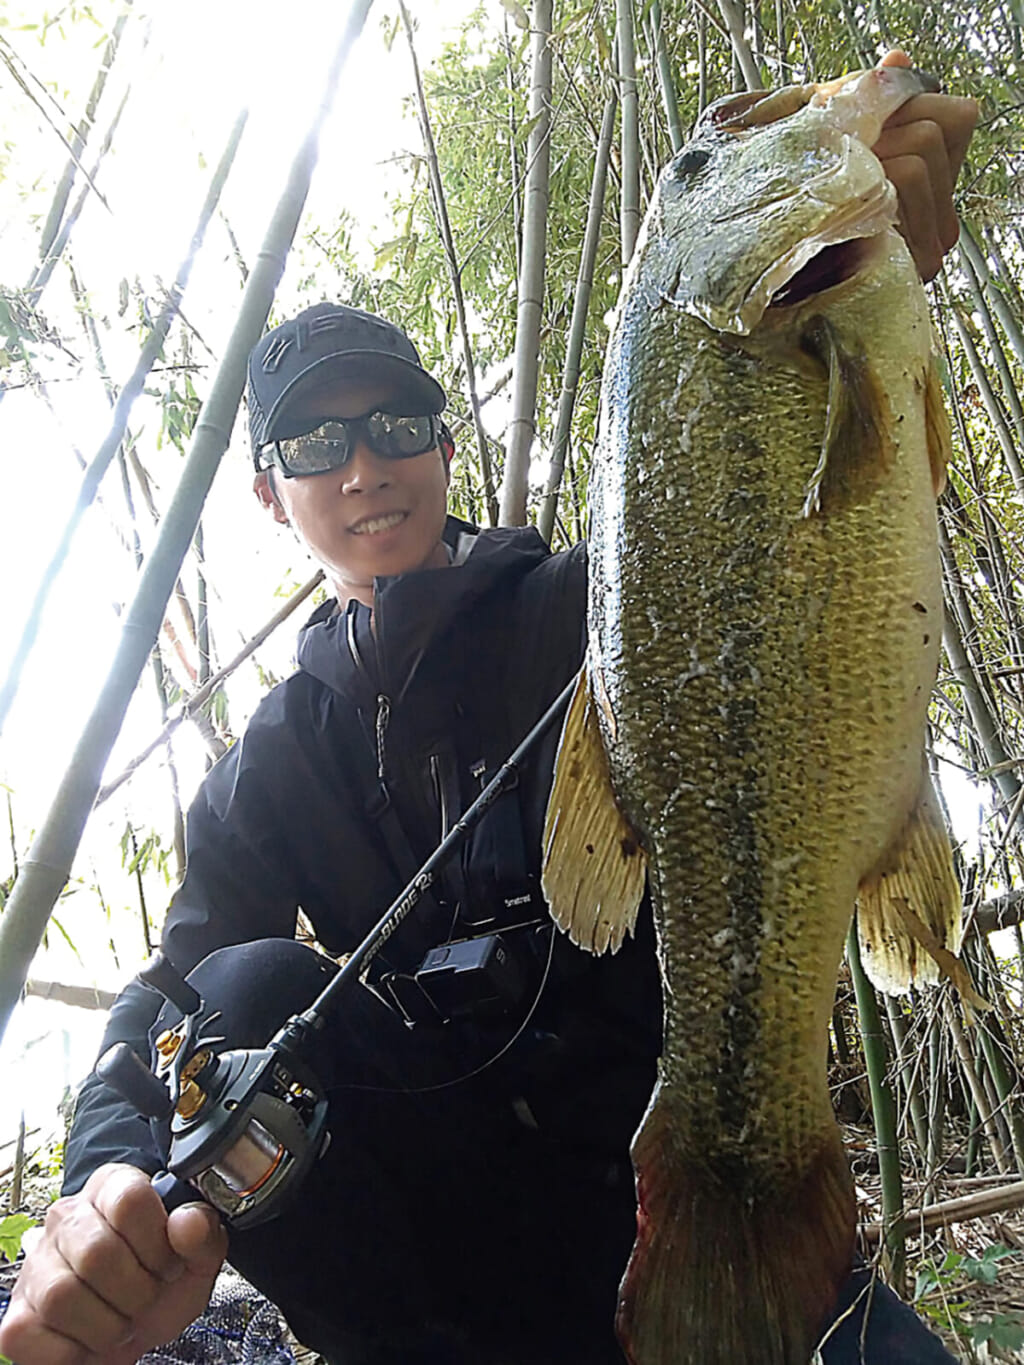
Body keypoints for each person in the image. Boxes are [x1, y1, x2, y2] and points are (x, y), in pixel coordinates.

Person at [0, 56, 979, 1365]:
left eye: (396, 420)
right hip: (445, 1249)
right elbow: (171, 994)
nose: (363, 466)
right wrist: (103, 1182)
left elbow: (799, 546)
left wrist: (887, 267)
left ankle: (773, 1275)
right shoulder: (273, 760)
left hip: (658, 1167)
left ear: (446, 444)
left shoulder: (600, 598)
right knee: (238, 999)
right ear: (265, 492)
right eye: (313, 444)